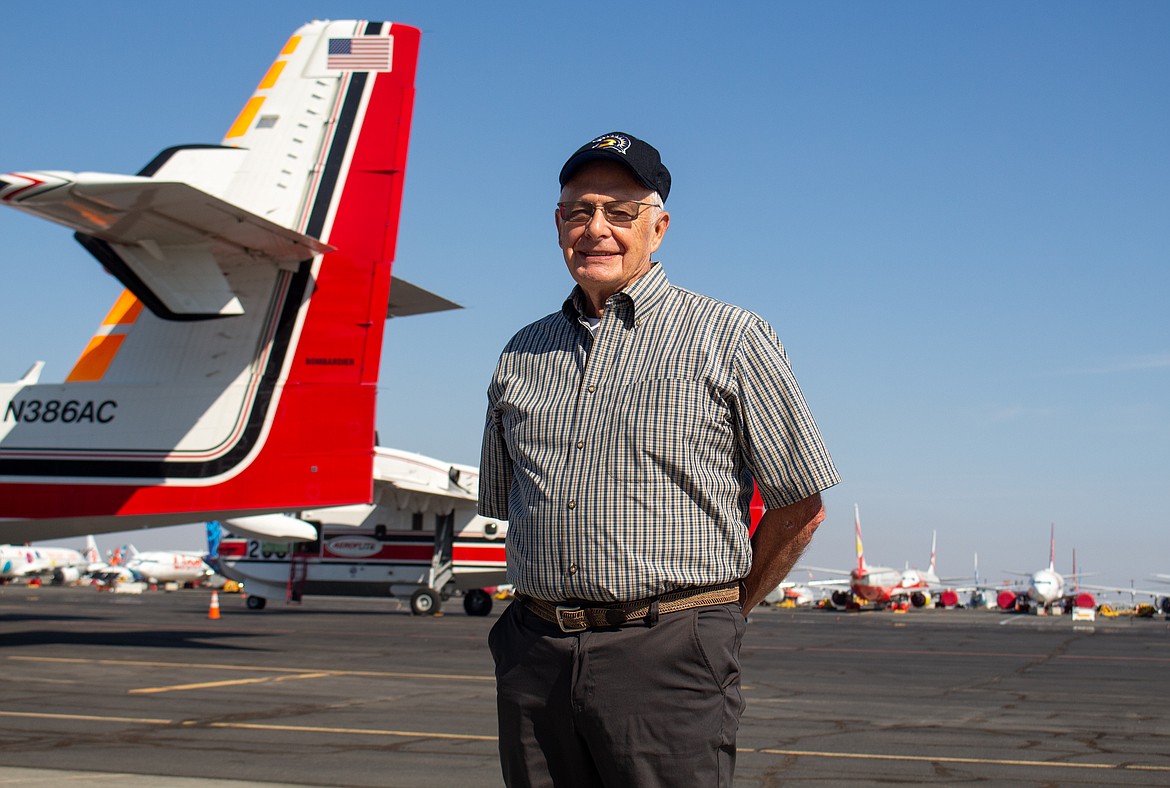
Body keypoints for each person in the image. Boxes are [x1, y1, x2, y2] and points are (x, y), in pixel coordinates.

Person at [479, 131, 840, 787]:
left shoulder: (731, 337)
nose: (596, 229)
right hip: (534, 653)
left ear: (659, 227)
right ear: (558, 224)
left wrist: (721, 613)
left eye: (620, 212)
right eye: (579, 211)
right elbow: (507, 505)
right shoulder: (520, 354)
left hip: (667, 652)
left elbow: (801, 507)